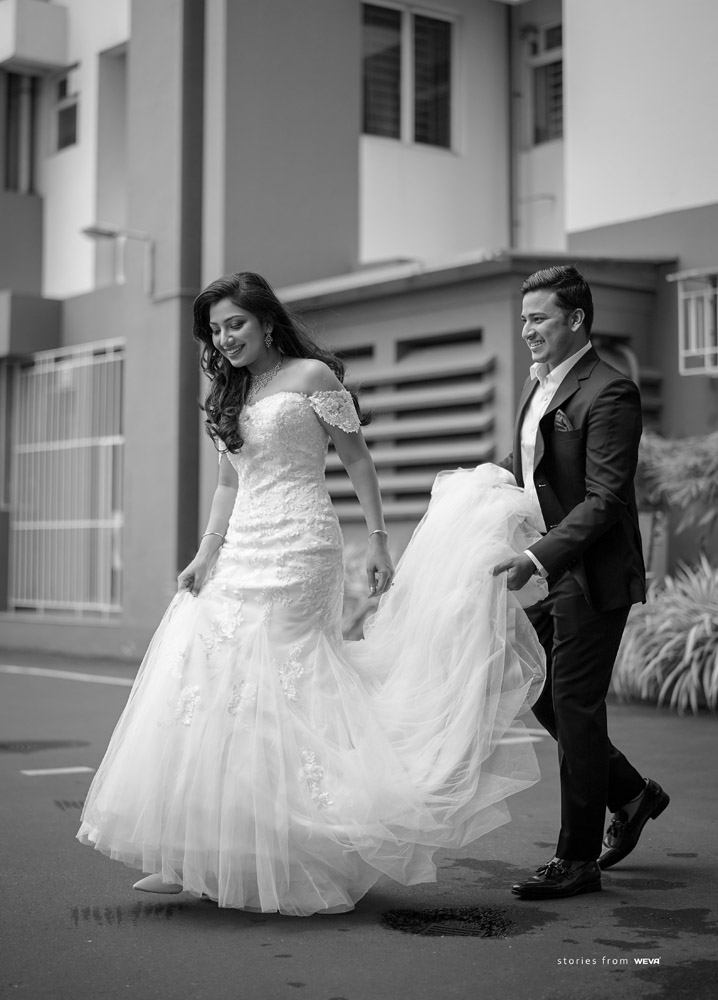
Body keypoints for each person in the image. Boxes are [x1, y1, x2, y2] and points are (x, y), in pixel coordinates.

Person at [78, 271, 546, 916]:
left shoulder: (314, 379)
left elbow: (357, 459)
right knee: (210, 682)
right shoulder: (232, 388)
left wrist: (379, 540)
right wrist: (206, 550)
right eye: (215, 330)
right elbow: (226, 481)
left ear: (266, 321)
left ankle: (298, 851)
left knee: (280, 685)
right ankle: (194, 854)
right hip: (242, 546)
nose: (225, 338)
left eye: (235, 323)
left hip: (302, 547)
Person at [493, 265, 669, 901]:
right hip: (552, 570)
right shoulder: (540, 386)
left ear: (576, 320)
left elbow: (604, 501)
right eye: (524, 318)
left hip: (590, 574)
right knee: (537, 683)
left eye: (538, 318)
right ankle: (631, 792)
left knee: (573, 701)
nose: (526, 331)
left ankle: (576, 860)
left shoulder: (611, 392)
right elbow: (527, 467)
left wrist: (537, 558)